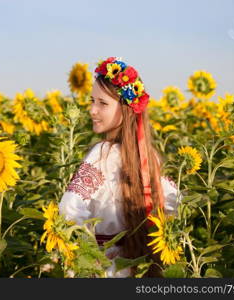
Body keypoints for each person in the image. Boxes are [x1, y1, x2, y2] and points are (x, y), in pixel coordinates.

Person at [59, 57, 182, 277]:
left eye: (102, 103)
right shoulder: (149, 156)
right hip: (141, 266)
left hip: (103, 269)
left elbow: (68, 210)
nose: (92, 110)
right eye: (92, 101)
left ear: (125, 108)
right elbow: (175, 206)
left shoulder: (101, 155)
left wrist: (87, 254)